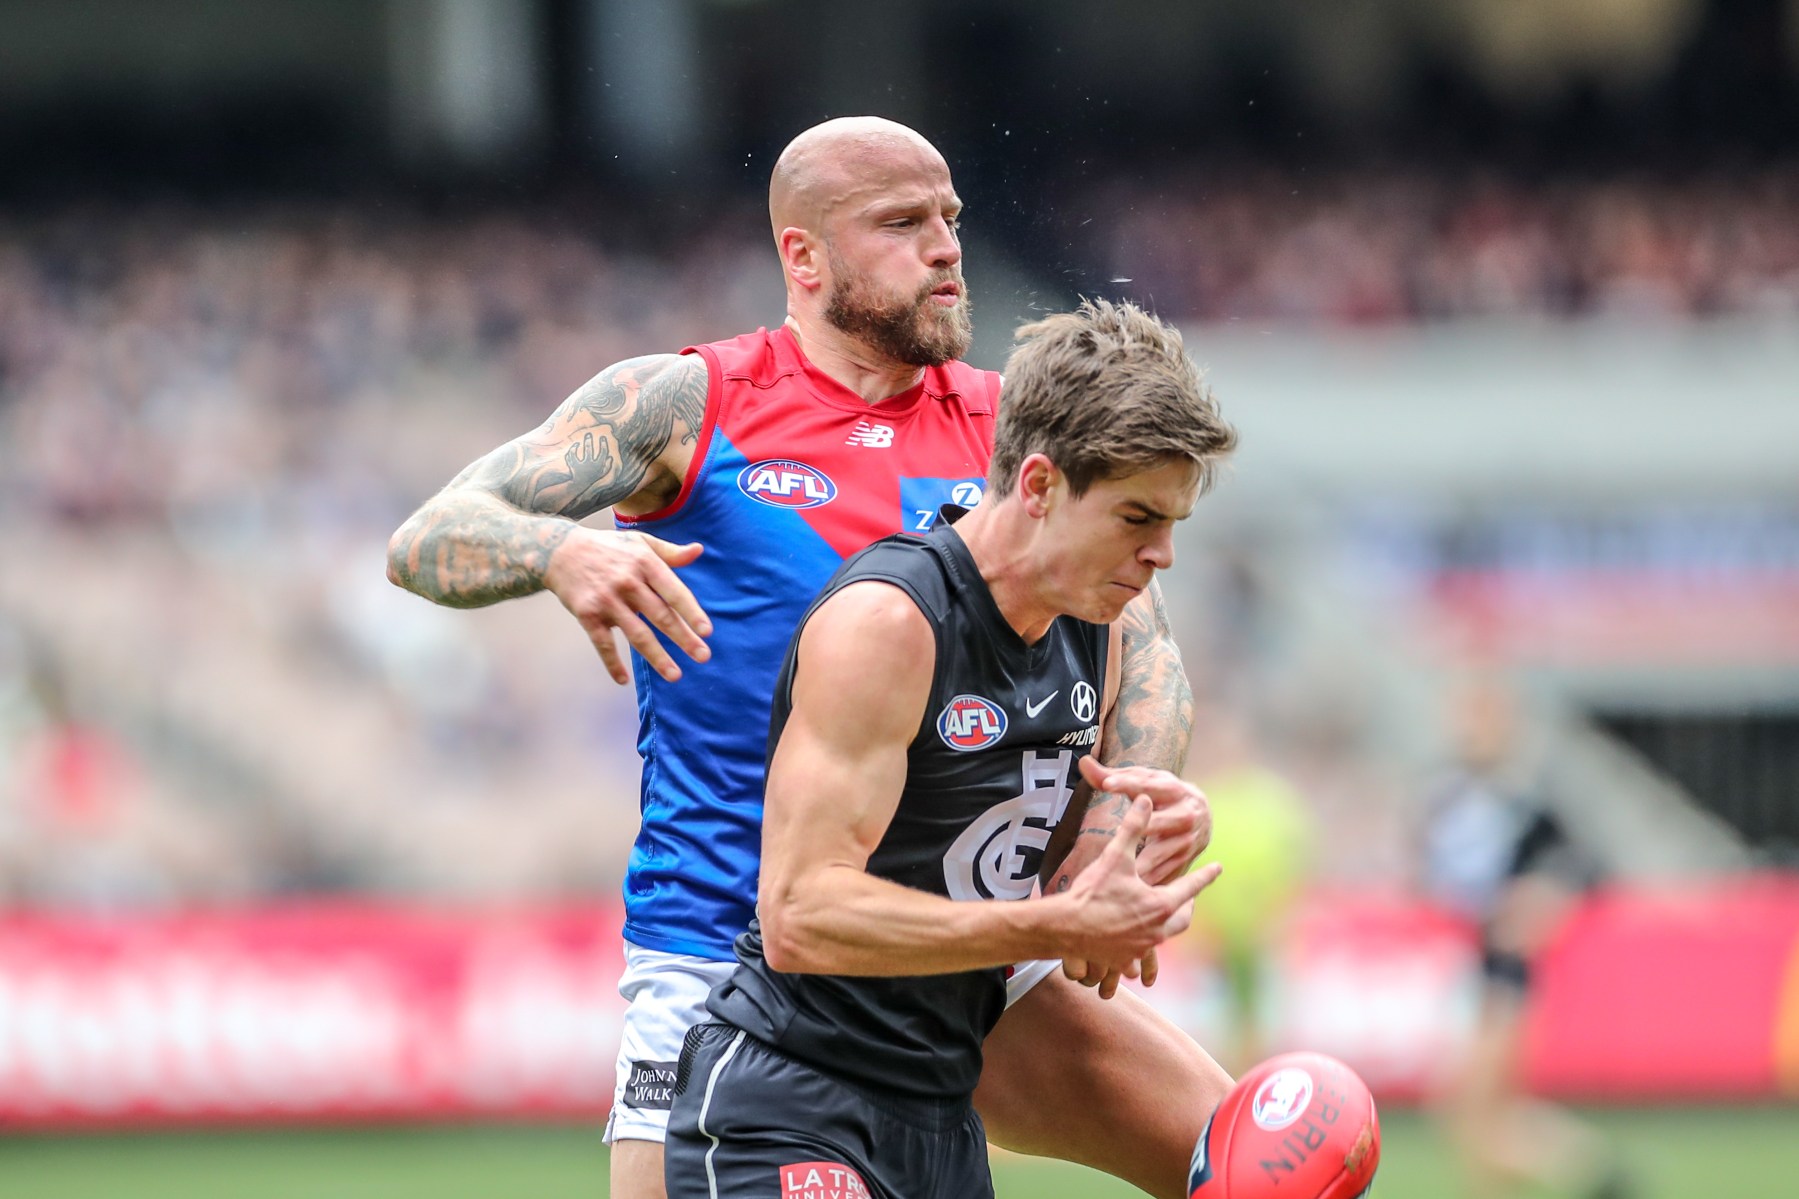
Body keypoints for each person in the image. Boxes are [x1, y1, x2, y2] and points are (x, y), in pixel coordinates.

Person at [387, 117, 1229, 1199]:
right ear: (805, 255)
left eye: (951, 218)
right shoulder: (690, 404)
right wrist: (559, 551)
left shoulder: (1008, 427)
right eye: (903, 222)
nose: (945, 247)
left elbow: (1145, 650)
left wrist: (1109, 834)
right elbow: (427, 537)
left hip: (964, 943)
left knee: (1256, 1161)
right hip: (731, 952)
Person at [664, 298, 1235, 1199]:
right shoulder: (890, 620)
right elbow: (798, 915)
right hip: (791, 1099)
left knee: (1260, 1164)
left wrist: (1131, 831)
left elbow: (1052, 819)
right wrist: (1058, 924)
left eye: (1173, 524)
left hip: (940, 1111)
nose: (1161, 554)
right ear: (1038, 485)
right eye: (1136, 518)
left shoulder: (1094, 622)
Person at [1419, 676, 1628, 1199]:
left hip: (1505, 969)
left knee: (1474, 1107)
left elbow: (1584, 864)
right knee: (1476, 1113)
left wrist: (1546, 898)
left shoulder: (1525, 797)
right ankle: (1590, 1169)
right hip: (1471, 962)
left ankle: (1592, 1170)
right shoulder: (1449, 795)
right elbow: (1436, 874)